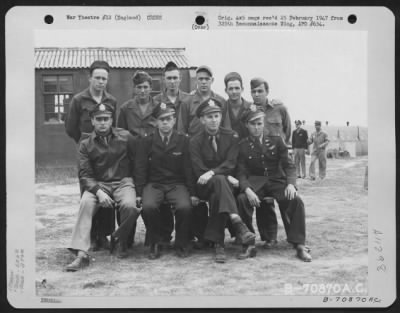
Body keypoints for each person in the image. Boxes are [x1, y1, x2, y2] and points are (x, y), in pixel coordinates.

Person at [65, 103, 140, 271]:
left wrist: (138, 188)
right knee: (85, 203)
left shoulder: (126, 137)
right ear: (92, 121)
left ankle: (118, 239)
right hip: (98, 184)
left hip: (123, 182)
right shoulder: (86, 144)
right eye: (98, 119)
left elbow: (137, 163)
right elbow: (85, 175)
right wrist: (98, 192)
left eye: (106, 119)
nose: (102, 123)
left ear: (111, 120)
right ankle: (81, 254)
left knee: (130, 207)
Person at [236, 106, 312, 262]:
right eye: (252, 124)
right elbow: (241, 172)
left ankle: (299, 244)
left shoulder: (276, 140)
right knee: (242, 200)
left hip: (277, 181)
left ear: (263, 123)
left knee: (296, 201)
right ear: (247, 126)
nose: (256, 128)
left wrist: (291, 184)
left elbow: (289, 165)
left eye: (259, 123)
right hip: (256, 183)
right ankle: (248, 244)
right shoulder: (243, 145)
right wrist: (247, 189)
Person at [189, 98, 255, 263]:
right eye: (209, 117)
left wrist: (213, 173)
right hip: (203, 185)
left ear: (221, 117)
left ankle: (218, 244)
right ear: (202, 120)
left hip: (225, 186)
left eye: (217, 116)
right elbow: (198, 170)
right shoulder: (195, 141)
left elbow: (231, 163)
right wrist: (220, 175)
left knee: (217, 194)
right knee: (219, 181)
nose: (213, 120)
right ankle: (237, 222)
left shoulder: (231, 136)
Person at [65, 60, 117, 251]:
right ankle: (91, 236)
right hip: (87, 150)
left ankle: (104, 235)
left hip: (107, 151)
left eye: (104, 78)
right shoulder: (79, 100)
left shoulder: (111, 101)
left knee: (107, 189)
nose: (101, 82)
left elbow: (114, 126)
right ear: (90, 78)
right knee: (89, 192)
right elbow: (70, 128)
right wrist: (85, 142)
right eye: (97, 78)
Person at [135, 103, 198, 259]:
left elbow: (188, 169)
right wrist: (139, 192)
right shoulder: (147, 141)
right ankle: (156, 242)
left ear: (174, 120)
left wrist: (192, 192)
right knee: (148, 206)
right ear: (156, 122)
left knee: (185, 207)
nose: (165, 122)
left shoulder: (183, 140)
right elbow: (140, 168)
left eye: (168, 119)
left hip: (176, 184)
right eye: (161, 119)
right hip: (154, 183)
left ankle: (182, 242)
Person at [178, 65, 226, 136]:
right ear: (196, 80)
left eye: (207, 79)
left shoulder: (221, 101)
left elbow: (225, 128)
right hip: (193, 143)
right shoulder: (187, 102)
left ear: (212, 80)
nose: (204, 82)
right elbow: (181, 130)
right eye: (201, 79)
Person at [250, 77, 291, 145]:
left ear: (267, 92)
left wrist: (280, 146)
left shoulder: (280, 108)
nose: (256, 94)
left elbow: (287, 132)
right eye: (253, 91)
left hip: (277, 153)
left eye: (260, 91)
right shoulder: (249, 111)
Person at [117, 71, 157, 137]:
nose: (142, 91)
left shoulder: (158, 108)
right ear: (134, 89)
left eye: (145, 87)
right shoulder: (125, 109)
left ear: (151, 88)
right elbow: (121, 134)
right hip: (132, 146)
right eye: (139, 87)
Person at [221, 72, 252, 139]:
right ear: (226, 90)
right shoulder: (221, 109)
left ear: (242, 89)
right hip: (228, 147)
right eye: (231, 88)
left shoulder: (251, 108)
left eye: (237, 88)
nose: (234, 92)